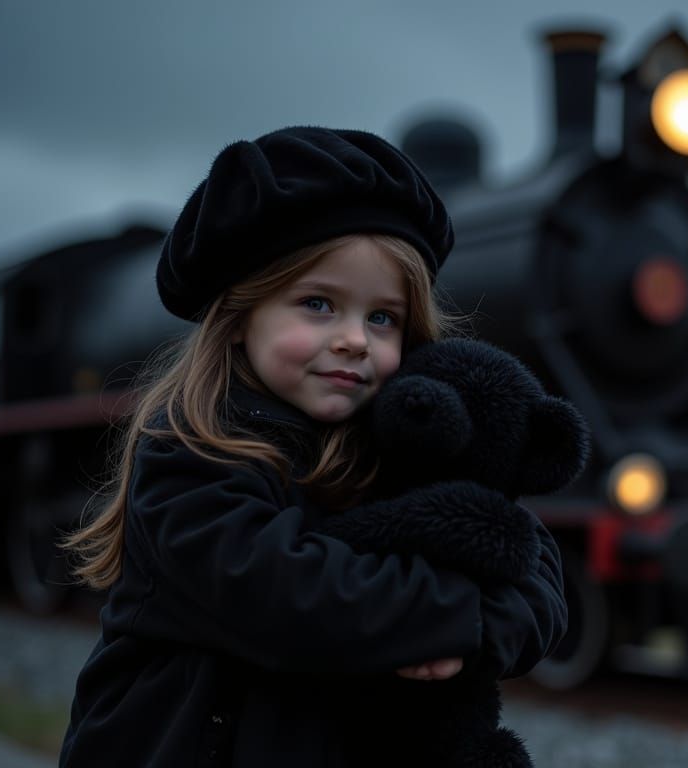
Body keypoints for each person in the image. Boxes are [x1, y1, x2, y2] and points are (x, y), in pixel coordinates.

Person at [59, 126, 567, 767]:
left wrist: (480, 627)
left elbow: (529, 558)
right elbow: (287, 592)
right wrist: (451, 618)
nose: (355, 339)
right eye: (319, 304)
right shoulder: (189, 455)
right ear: (241, 316)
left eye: (382, 317)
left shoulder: (399, 443)